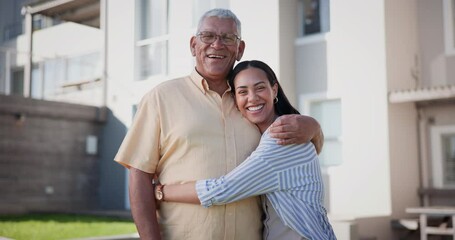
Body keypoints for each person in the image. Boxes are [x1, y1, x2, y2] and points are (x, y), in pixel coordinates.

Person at [114, 8, 324, 240]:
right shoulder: (161, 97)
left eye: (227, 38)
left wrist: (314, 127)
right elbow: (139, 175)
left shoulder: (251, 106)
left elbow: (293, 156)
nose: (217, 44)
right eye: (208, 36)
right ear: (194, 44)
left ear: (239, 49)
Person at [154, 60, 336, 240]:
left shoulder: (281, 137)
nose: (253, 97)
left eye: (259, 88)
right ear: (235, 99)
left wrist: (161, 191)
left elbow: (222, 190)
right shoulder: (283, 131)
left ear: (274, 90)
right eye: (243, 91)